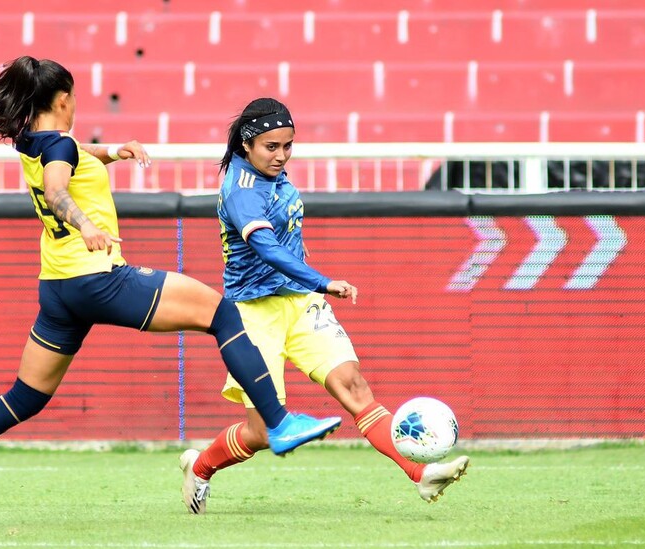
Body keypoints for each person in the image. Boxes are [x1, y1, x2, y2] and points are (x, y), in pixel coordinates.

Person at [0, 59, 342, 530]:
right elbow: (56, 189)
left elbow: (70, 154)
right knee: (223, 313)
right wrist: (86, 224)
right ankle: (277, 421)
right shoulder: (59, 146)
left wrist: (113, 151)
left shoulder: (33, 139)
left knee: (23, 398)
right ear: (63, 99)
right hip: (99, 279)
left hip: (58, 290)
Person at [178, 97, 470, 515]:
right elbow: (263, 246)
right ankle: (200, 467)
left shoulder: (274, 176)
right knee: (261, 433)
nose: (281, 156)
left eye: (288, 146)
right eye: (271, 147)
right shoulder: (240, 191)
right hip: (253, 314)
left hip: (300, 303)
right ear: (247, 145)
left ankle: (420, 474)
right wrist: (322, 280)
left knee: (354, 386)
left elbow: (285, 233)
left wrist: (307, 279)